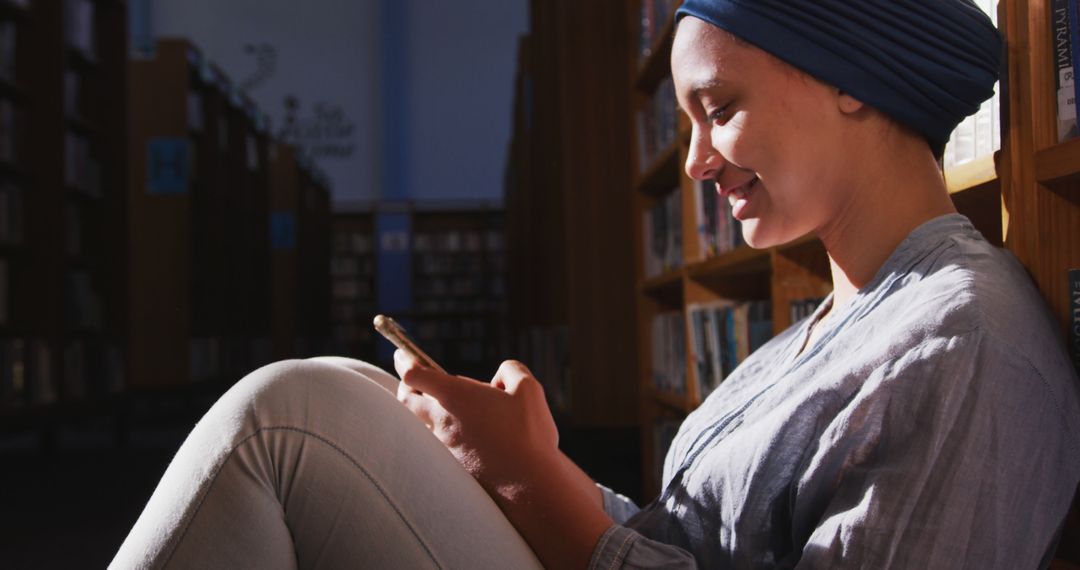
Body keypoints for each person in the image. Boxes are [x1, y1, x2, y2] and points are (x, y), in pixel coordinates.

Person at [112, 1, 1080, 568]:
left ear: (855, 83)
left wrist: (531, 483)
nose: (695, 163)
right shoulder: (837, 318)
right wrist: (531, 464)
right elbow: (695, 539)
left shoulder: (962, 342)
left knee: (292, 415)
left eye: (721, 109)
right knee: (351, 394)